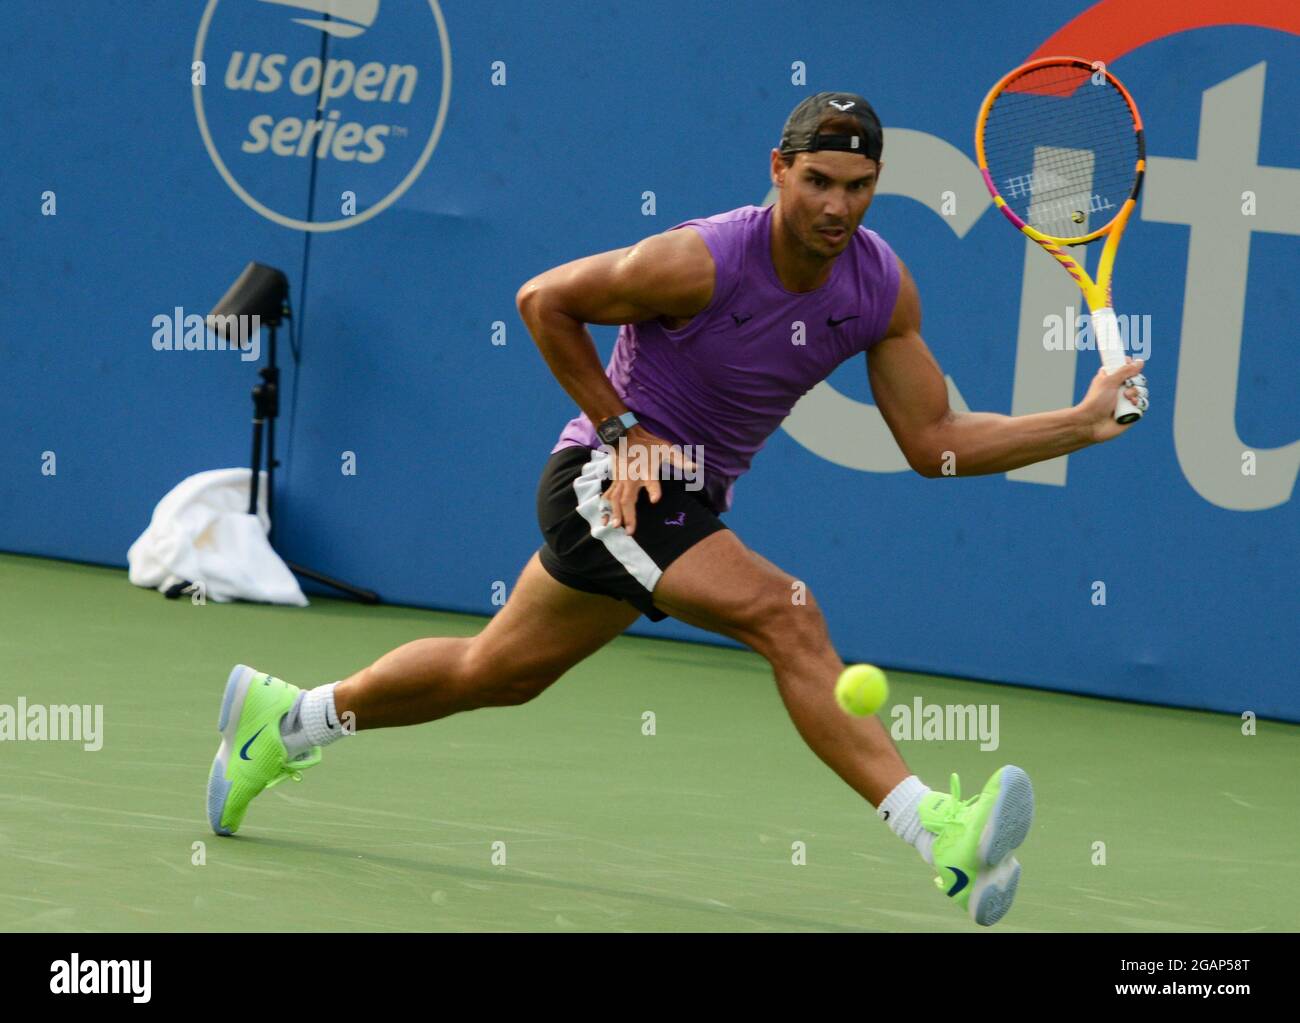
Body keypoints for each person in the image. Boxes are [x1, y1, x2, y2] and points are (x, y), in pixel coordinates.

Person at [206, 92, 1148, 926]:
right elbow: (543, 301)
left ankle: (284, 722)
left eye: (859, 186)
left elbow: (933, 440)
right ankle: (939, 828)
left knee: (496, 671)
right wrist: (622, 431)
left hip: (679, 506)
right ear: (779, 170)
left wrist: (1075, 421)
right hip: (610, 484)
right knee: (789, 616)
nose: (836, 205)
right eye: (817, 180)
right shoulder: (699, 261)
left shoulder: (879, 285)